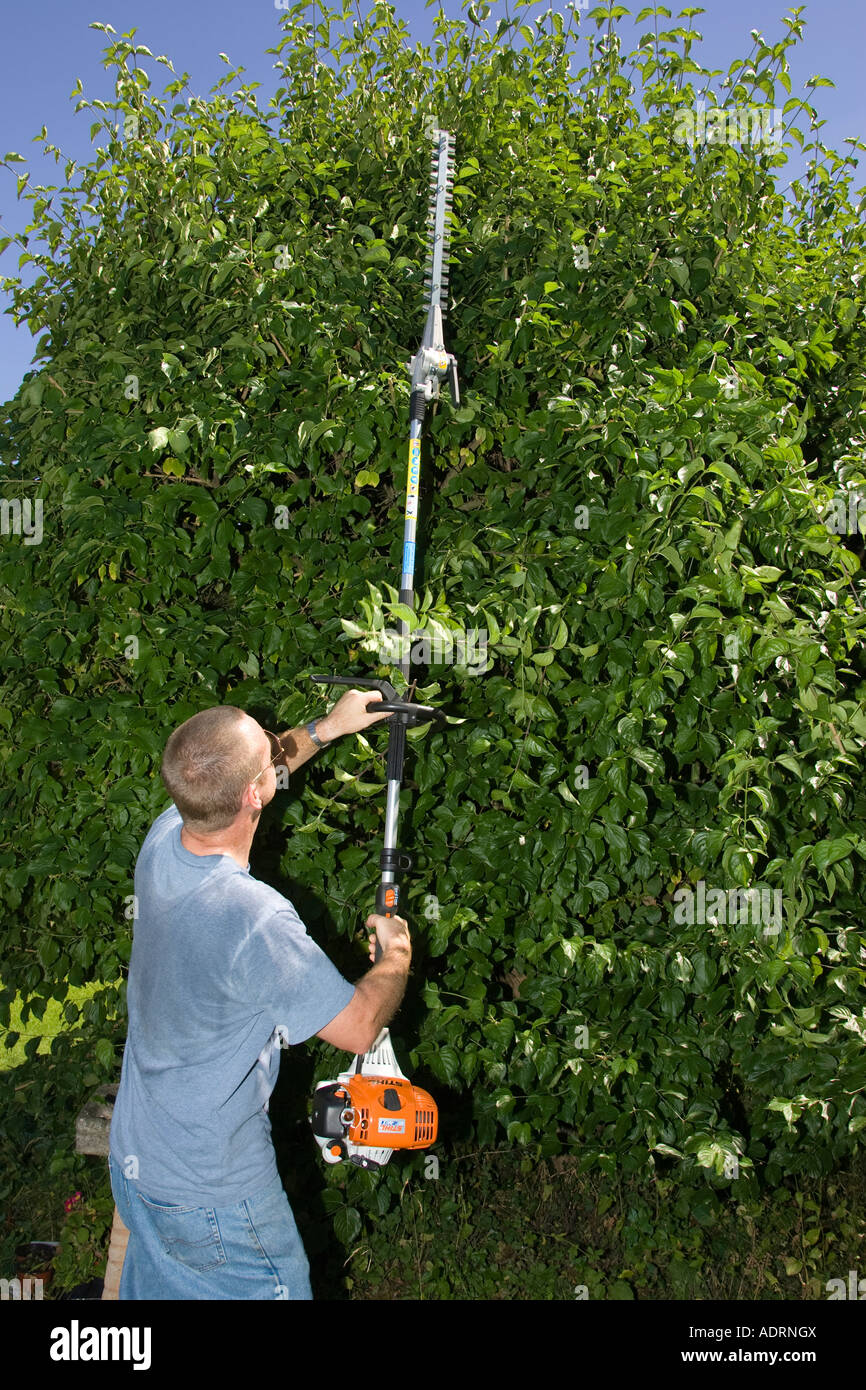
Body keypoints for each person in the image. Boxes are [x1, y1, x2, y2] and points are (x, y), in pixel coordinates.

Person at [108, 691, 412, 1299]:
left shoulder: (166, 836)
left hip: (138, 1157)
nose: (280, 745)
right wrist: (397, 955)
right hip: (214, 1195)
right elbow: (357, 1027)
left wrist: (328, 728)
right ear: (257, 794)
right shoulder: (255, 921)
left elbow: (248, 775)